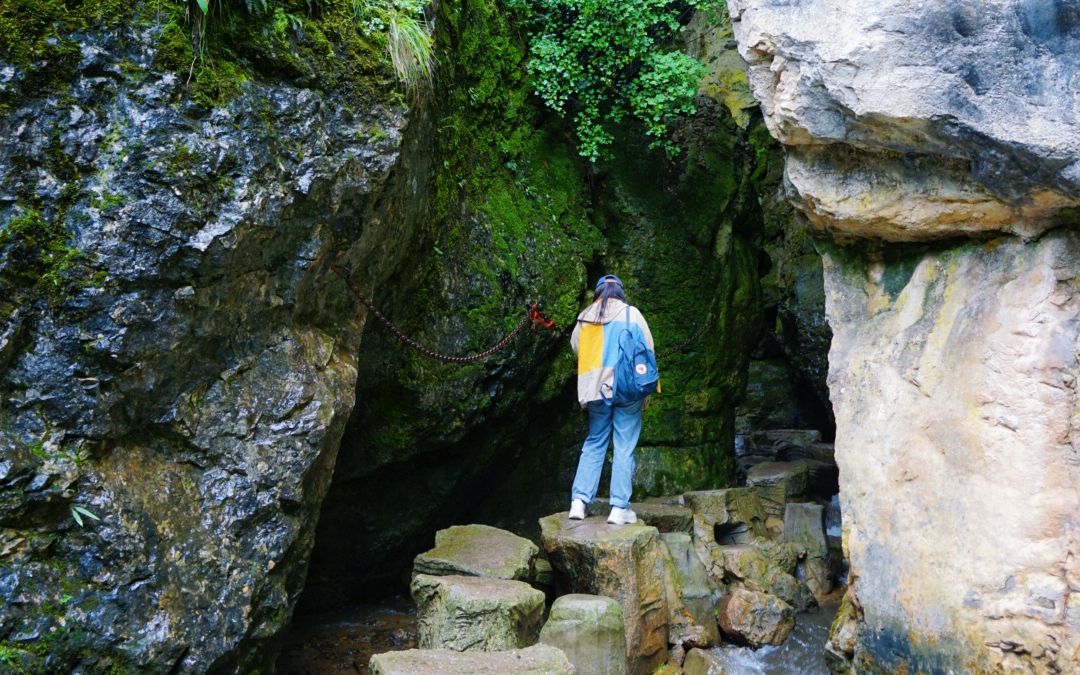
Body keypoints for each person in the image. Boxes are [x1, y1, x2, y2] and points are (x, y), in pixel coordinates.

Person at [567, 274, 655, 525]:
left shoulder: (585, 317)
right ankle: (619, 508)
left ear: (597, 294)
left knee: (595, 442)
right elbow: (647, 351)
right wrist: (646, 390)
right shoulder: (632, 314)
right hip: (626, 388)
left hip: (595, 389)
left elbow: (576, 348)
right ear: (621, 293)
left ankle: (579, 502)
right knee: (624, 445)